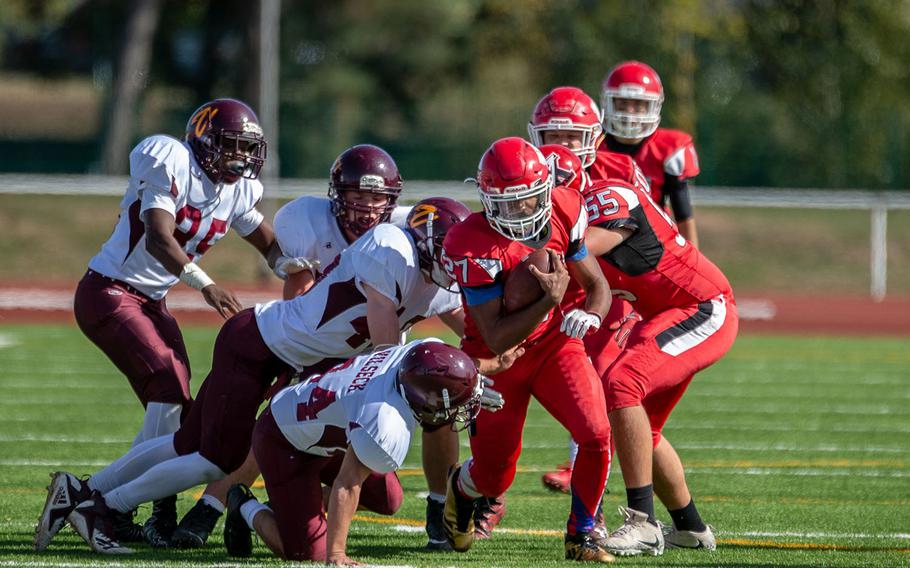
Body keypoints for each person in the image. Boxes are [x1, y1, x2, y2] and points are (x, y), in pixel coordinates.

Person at [34, 197, 497, 555]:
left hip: (298, 358)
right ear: (425, 240)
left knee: (186, 444)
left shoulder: (438, 282)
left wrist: (495, 360)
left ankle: (83, 490)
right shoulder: (391, 249)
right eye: (450, 252)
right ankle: (105, 507)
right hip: (259, 343)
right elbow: (386, 351)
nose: (455, 264)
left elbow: (479, 337)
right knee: (212, 459)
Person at [169, 143, 416, 548]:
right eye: (357, 198)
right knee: (274, 425)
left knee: (386, 497)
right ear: (338, 197)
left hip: (366, 364)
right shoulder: (310, 222)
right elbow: (299, 303)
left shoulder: (403, 237)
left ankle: (280, 509)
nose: (367, 209)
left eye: (377, 198)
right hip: (314, 348)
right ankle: (210, 507)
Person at [71, 97, 279, 545]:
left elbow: (272, 248)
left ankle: (103, 501)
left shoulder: (239, 191)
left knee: (179, 410)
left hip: (150, 301)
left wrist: (301, 268)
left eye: (246, 149)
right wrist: (205, 284)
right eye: (230, 146)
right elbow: (158, 236)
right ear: (203, 142)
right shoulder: (170, 159)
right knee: (167, 393)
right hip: (110, 291)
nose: (239, 158)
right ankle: (120, 506)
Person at [440, 137, 616, 563]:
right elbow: (497, 335)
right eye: (506, 203)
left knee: (595, 434)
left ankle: (582, 535)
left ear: (544, 189)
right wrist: (549, 301)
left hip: (553, 345)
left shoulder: (565, 207)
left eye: (526, 200)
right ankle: (461, 488)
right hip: (497, 359)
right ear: (485, 200)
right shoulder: (470, 242)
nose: (519, 212)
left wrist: (590, 315)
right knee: (494, 476)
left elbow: (597, 286)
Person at [220, 339, 505, 564]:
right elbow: (347, 483)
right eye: (452, 406)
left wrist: (473, 384)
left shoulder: (415, 359)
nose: (456, 411)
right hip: (284, 442)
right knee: (308, 553)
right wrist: (337, 555)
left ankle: (292, 508)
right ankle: (244, 503)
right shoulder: (384, 419)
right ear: (424, 401)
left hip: (328, 431)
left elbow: (437, 370)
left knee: (388, 499)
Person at [579, 177, 737, 556]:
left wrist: (530, 244)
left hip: (702, 306)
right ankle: (690, 527)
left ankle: (642, 522)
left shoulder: (608, 196)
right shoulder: (571, 222)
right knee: (641, 427)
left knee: (621, 384)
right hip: (664, 314)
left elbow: (576, 248)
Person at [529, 87, 645, 494]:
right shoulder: (524, 170)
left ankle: (587, 503)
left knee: (598, 389)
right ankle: (482, 487)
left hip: (606, 292)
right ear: (534, 137)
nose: (561, 146)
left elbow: (644, 234)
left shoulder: (621, 171)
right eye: (552, 136)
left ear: (594, 137)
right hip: (542, 298)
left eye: (571, 137)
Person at [599, 61, 701, 247]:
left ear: (654, 105)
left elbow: (684, 216)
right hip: (600, 239)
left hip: (654, 240)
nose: (630, 113)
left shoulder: (669, 148)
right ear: (608, 103)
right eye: (622, 104)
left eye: (638, 105)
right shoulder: (593, 145)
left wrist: (692, 265)